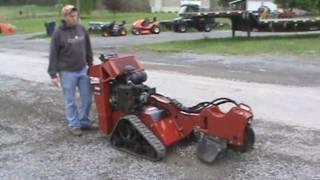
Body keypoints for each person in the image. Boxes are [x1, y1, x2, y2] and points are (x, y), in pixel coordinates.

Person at [48, 4, 96, 136]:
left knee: (87, 98)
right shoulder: (58, 33)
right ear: (65, 17)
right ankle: (74, 125)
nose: (75, 18)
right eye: (72, 16)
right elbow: (53, 54)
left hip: (83, 70)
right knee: (70, 101)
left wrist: (91, 65)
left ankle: (84, 122)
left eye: (76, 16)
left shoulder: (82, 29)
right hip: (67, 72)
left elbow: (88, 48)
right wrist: (53, 74)